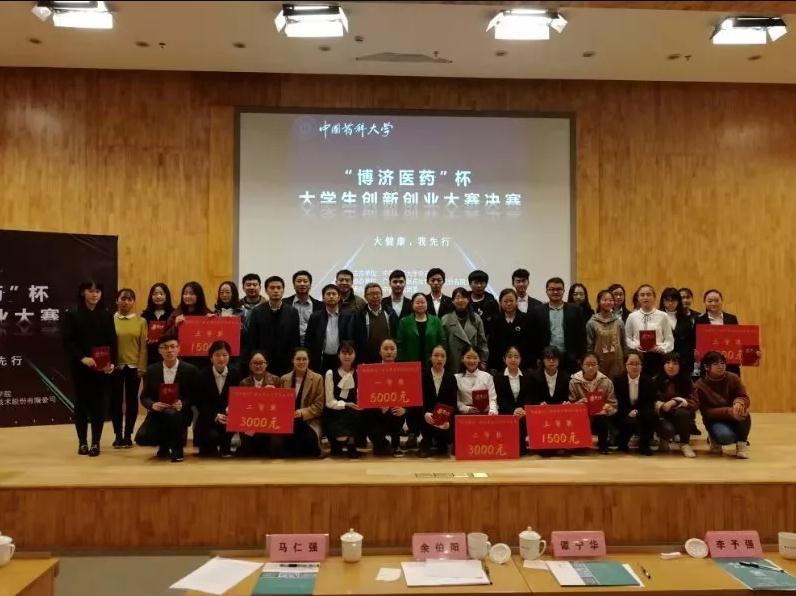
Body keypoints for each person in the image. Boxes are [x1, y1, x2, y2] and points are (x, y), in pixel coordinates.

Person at [62, 280, 117, 456]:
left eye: (98, 291)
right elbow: (68, 342)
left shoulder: (107, 315)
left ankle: (95, 443)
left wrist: (112, 363)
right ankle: (82, 442)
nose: (94, 294)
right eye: (91, 291)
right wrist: (82, 358)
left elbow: (112, 341)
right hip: (80, 367)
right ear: (82, 293)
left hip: (101, 368)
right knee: (81, 405)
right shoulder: (72, 314)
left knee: (98, 406)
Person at [138, 334, 198, 462]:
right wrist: (153, 405)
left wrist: (183, 404)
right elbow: (144, 397)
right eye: (165, 347)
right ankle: (164, 444)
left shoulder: (190, 370)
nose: (169, 350)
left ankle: (177, 449)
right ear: (159, 350)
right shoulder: (151, 370)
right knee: (142, 438)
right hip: (158, 412)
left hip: (181, 413)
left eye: (172, 346)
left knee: (172, 414)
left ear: (179, 348)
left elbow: (194, 396)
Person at [396, 293, 445, 448]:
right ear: (412, 305)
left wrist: (438, 361)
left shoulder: (435, 321)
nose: (420, 305)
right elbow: (400, 345)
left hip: (431, 368)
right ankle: (412, 432)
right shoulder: (404, 322)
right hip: (410, 369)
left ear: (427, 304)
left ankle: (430, 434)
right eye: (417, 302)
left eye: (423, 302)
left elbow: (442, 341)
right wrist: (402, 366)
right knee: (412, 401)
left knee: (428, 399)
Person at [689, 350, 751, 459]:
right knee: (726, 438)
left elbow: (743, 396)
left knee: (744, 413)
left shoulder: (733, 378)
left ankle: (741, 446)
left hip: (734, 415)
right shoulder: (700, 385)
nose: (720, 366)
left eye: (722, 363)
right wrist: (729, 411)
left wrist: (739, 402)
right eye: (716, 364)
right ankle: (714, 437)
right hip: (715, 420)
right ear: (707, 367)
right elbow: (706, 412)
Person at [111, 288, 147, 449]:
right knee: (116, 401)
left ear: (133, 302)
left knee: (132, 401)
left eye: (130, 299)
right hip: (115, 367)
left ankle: (128, 435)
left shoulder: (141, 321)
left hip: (134, 367)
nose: (126, 302)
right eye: (123, 298)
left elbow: (143, 347)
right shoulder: (111, 319)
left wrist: (142, 366)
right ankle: (118, 435)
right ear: (117, 300)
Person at [244, 276, 300, 376]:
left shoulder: (292, 312)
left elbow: (295, 340)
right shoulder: (257, 311)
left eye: (279, 288)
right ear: (266, 290)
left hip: (285, 363)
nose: (276, 291)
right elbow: (252, 340)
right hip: (263, 362)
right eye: (272, 288)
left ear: (283, 290)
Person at [529, 277, 586, 374]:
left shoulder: (575, 310)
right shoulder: (538, 311)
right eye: (552, 289)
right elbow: (534, 337)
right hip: (547, 358)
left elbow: (582, 335)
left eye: (559, 289)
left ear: (563, 291)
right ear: (547, 291)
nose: (555, 292)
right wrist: (537, 357)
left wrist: (581, 357)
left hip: (570, 358)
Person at [194, 341, 241, 457]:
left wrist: (228, 412)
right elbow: (199, 402)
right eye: (217, 355)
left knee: (225, 438)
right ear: (211, 358)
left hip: (228, 417)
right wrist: (215, 415)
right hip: (208, 417)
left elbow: (238, 398)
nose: (221, 358)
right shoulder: (202, 375)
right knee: (208, 446)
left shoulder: (235, 373)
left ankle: (226, 445)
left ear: (229, 356)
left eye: (224, 355)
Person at [279, 347, 324, 458]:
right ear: (292, 361)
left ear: (309, 361)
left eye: (304, 359)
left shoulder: (317, 378)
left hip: (308, 421)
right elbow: (280, 404)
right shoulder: (284, 379)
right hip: (288, 421)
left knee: (308, 440)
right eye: (298, 359)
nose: (301, 362)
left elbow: (319, 406)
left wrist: (301, 412)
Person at [366, 338, 407, 457]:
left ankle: (396, 443)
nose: (389, 352)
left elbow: (411, 395)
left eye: (392, 349)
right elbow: (367, 396)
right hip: (376, 414)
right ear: (380, 352)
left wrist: (405, 409)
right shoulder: (371, 371)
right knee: (379, 449)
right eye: (385, 349)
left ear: (396, 352)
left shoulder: (405, 370)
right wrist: (377, 406)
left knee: (398, 410)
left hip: (396, 413)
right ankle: (382, 443)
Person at [568, 352, 616, 454]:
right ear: (582, 366)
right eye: (587, 364)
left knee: (603, 419)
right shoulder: (574, 382)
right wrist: (580, 403)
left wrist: (608, 407)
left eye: (593, 364)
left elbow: (613, 404)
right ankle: (580, 443)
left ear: (598, 366)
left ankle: (603, 445)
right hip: (581, 416)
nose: (590, 367)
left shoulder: (606, 382)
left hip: (599, 416)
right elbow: (570, 404)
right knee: (578, 418)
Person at [236, 350, 282, 457]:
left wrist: (274, 395)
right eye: (255, 363)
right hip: (251, 421)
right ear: (250, 365)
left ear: (266, 364)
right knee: (247, 443)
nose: (258, 366)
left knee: (275, 445)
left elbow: (282, 407)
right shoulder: (244, 383)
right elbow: (241, 408)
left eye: (261, 363)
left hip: (271, 421)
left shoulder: (276, 380)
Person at [653, 352, 697, 458]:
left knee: (684, 413)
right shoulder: (655, 380)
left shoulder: (687, 381)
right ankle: (663, 439)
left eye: (675, 363)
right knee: (666, 428)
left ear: (680, 366)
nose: (671, 366)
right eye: (667, 363)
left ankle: (684, 443)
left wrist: (675, 401)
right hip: (662, 416)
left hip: (681, 416)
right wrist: (661, 405)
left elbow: (695, 402)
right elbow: (648, 401)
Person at [612, 351, 657, 456]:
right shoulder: (617, 380)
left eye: (637, 364)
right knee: (615, 415)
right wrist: (628, 411)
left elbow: (649, 402)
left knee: (651, 415)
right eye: (631, 363)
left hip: (642, 411)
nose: (635, 366)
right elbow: (617, 401)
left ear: (641, 365)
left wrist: (637, 411)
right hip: (623, 410)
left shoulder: (648, 380)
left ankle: (644, 444)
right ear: (625, 365)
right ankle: (622, 441)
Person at [624, 284, 674, 376]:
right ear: (638, 298)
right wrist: (635, 346)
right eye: (642, 295)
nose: (645, 297)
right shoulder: (632, 316)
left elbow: (669, 339)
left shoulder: (663, 316)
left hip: (658, 357)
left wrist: (660, 348)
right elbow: (627, 337)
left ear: (654, 297)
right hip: (638, 357)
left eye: (648, 294)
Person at [324, 341, 362, 459]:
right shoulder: (330, 373)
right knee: (340, 437)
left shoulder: (360, 373)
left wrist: (359, 404)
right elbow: (329, 402)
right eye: (344, 353)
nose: (347, 356)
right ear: (338, 355)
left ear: (355, 355)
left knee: (357, 415)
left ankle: (352, 443)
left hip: (355, 412)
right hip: (335, 411)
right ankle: (336, 442)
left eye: (350, 353)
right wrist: (346, 404)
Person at [305, 284, 352, 374]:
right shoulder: (315, 316)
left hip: (341, 358)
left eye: (334, 294)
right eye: (328, 294)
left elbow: (351, 338)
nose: (331, 296)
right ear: (323, 298)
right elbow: (309, 340)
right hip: (321, 359)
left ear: (339, 297)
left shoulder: (348, 316)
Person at [420, 345, 458, 457]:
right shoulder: (423, 376)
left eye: (442, 356)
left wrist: (448, 421)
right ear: (430, 357)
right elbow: (418, 400)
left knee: (447, 439)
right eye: (436, 355)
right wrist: (424, 414)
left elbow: (453, 404)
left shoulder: (451, 378)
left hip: (444, 420)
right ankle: (426, 442)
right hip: (427, 417)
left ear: (446, 359)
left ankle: (441, 442)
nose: (439, 359)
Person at [494, 346, 533, 455]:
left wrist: (523, 409)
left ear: (520, 359)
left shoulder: (527, 376)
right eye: (510, 356)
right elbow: (499, 399)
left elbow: (529, 396)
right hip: (506, 413)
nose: (513, 359)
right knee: (508, 449)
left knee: (522, 451)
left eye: (516, 357)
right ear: (504, 359)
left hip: (523, 414)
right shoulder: (498, 377)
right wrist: (513, 410)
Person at [695, 289, 742, 376]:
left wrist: (751, 354)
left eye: (717, 300)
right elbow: (695, 340)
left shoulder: (732, 318)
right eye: (710, 301)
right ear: (705, 302)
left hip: (730, 365)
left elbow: (737, 339)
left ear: (722, 301)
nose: (713, 303)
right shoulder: (698, 320)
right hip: (708, 365)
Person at [440, 287, 488, 374]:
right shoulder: (445, 320)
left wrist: (483, 361)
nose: (460, 300)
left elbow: (482, 342)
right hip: (453, 363)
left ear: (468, 300)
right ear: (453, 301)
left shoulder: (476, 319)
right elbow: (443, 345)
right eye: (457, 298)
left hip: (472, 361)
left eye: (463, 297)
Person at [349, 282, 398, 364]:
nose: (375, 296)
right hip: (365, 358)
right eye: (371, 294)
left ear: (382, 295)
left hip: (387, 358)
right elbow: (353, 338)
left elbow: (396, 335)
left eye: (377, 293)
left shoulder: (390, 313)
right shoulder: (359, 315)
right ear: (365, 297)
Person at [488, 288, 532, 372]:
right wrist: (492, 365)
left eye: (511, 301)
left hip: (522, 365)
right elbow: (492, 345)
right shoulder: (495, 320)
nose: (508, 304)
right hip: (500, 365)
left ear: (516, 301)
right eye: (505, 301)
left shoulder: (526, 319)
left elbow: (530, 344)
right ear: (500, 303)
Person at [585, 289, 626, 378]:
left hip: (617, 361)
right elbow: (589, 346)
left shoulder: (619, 322)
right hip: (599, 362)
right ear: (599, 302)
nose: (608, 302)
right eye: (604, 300)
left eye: (611, 300)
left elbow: (624, 343)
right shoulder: (592, 322)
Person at [659, 287, 695, 377]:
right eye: (667, 300)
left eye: (673, 300)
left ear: (678, 301)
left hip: (682, 362)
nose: (670, 303)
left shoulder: (686, 318)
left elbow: (690, 342)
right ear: (663, 301)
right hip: (661, 361)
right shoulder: (656, 317)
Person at [283, 270, 323, 346]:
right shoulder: (284, 303)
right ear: (294, 285)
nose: (302, 284)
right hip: (289, 345)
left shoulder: (320, 306)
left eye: (305, 281)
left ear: (310, 285)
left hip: (311, 345)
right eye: (299, 281)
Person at [455, 345, 498, 416]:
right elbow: (456, 400)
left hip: (486, 415)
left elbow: (492, 398)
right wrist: (466, 409)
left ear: (479, 359)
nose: (472, 361)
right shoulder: (456, 378)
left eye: (475, 358)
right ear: (462, 359)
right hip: (464, 416)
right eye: (468, 357)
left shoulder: (487, 377)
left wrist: (492, 411)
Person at [141, 282, 174, 365]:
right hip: (150, 354)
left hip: (168, 353)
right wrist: (145, 338)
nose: (158, 296)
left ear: (167, 296)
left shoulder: (173, 314)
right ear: (151, 296)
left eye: (161, 294)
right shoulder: (145, 315)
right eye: (155, 294)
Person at [468, 270, 499, 336]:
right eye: (476, 283)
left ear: (486, 284)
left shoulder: (492, 302)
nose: (479, 286)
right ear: (470, 284)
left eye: (482, 283)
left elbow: (496, 324)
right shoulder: (465, 300)